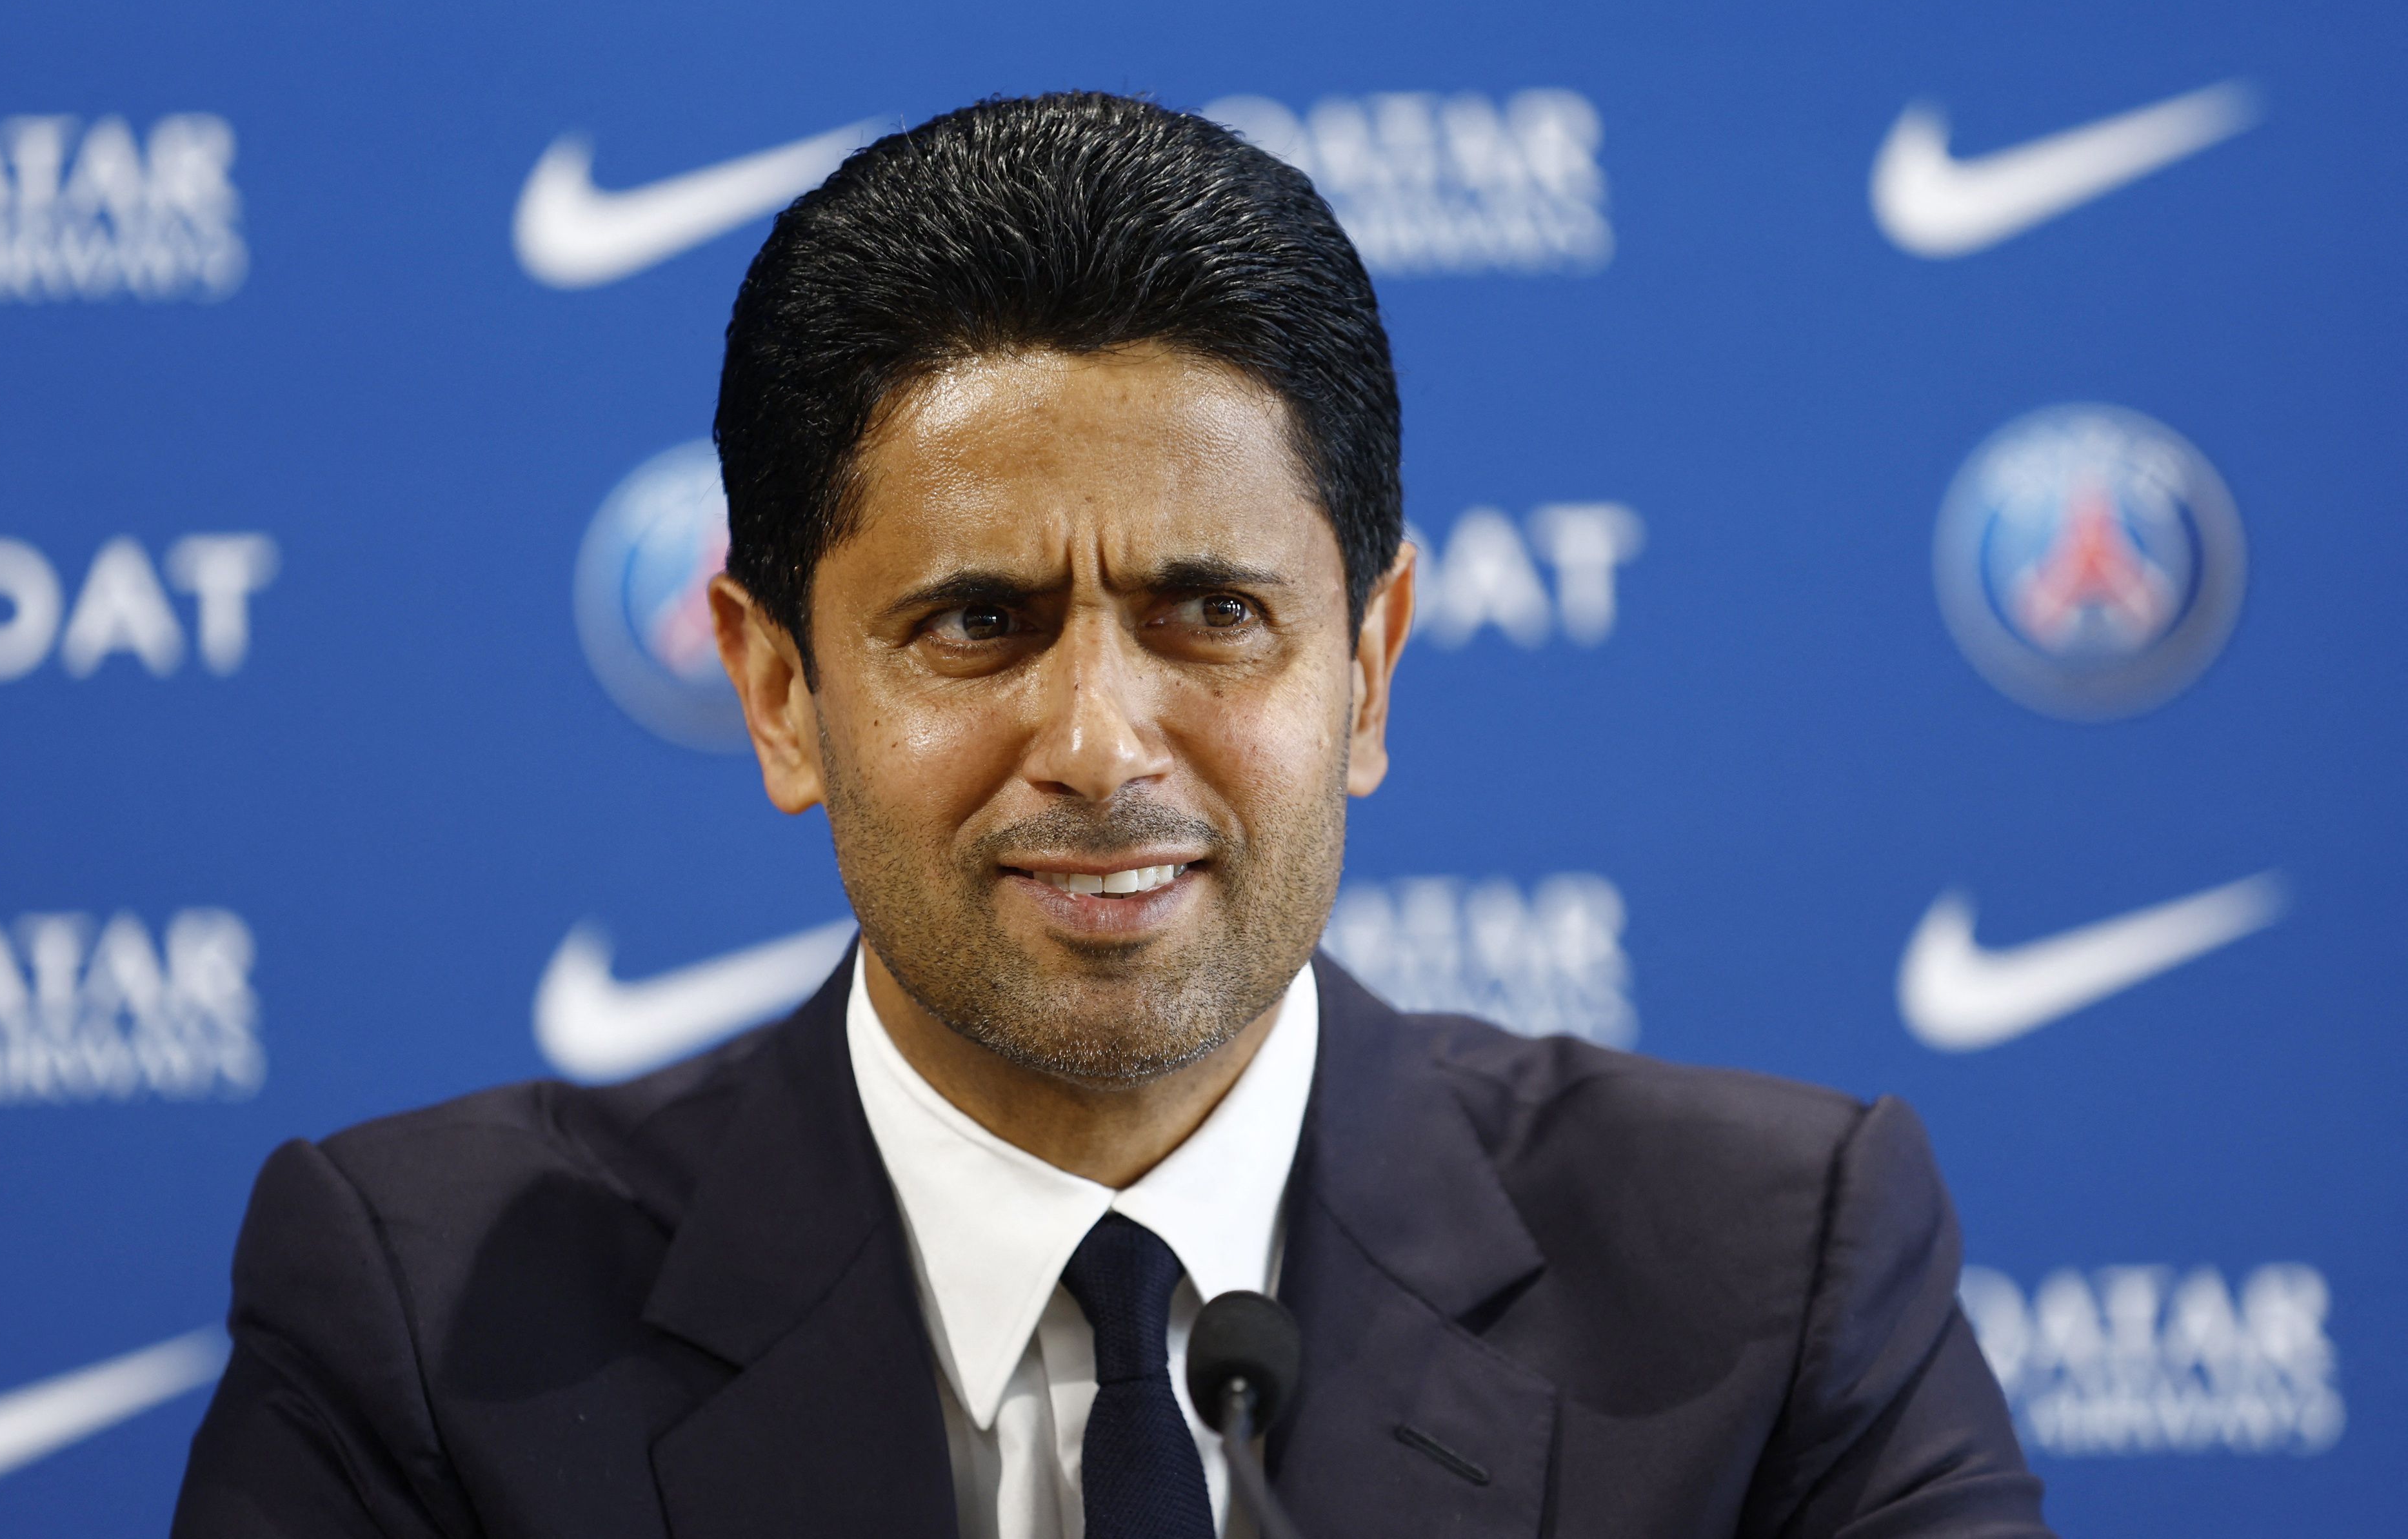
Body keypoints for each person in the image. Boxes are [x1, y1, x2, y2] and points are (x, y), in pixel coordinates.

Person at [174, 92, 2052, 1539]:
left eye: (1209, 616)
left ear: (1370, 665)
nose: (1097, 743)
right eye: (978, 625)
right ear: (775, 687)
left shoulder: (1772, 1269)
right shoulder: (425, 1311)